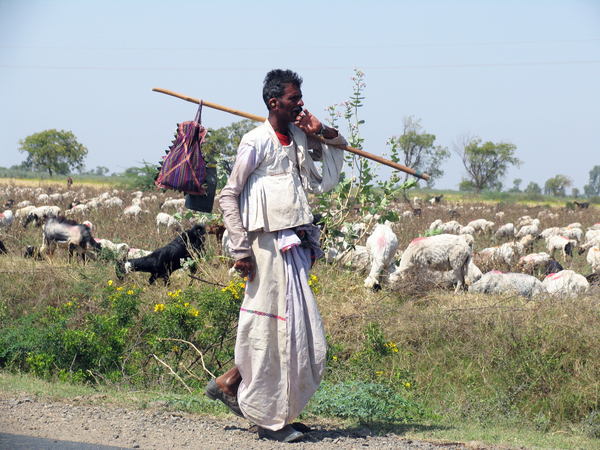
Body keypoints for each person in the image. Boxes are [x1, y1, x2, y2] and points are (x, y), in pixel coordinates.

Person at [206, 69, 346, 443]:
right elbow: (229, 195)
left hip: (294, 245)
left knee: (296, 329)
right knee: (272, 329)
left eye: (301, 97)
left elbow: (336, 149)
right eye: (293, 98)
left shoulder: (299, 137)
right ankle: (269, 420)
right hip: (264, 247)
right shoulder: (255, 142)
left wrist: (321, 129)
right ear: (274, 103)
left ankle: (263, 401)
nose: (300, 103)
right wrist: (240, 249)